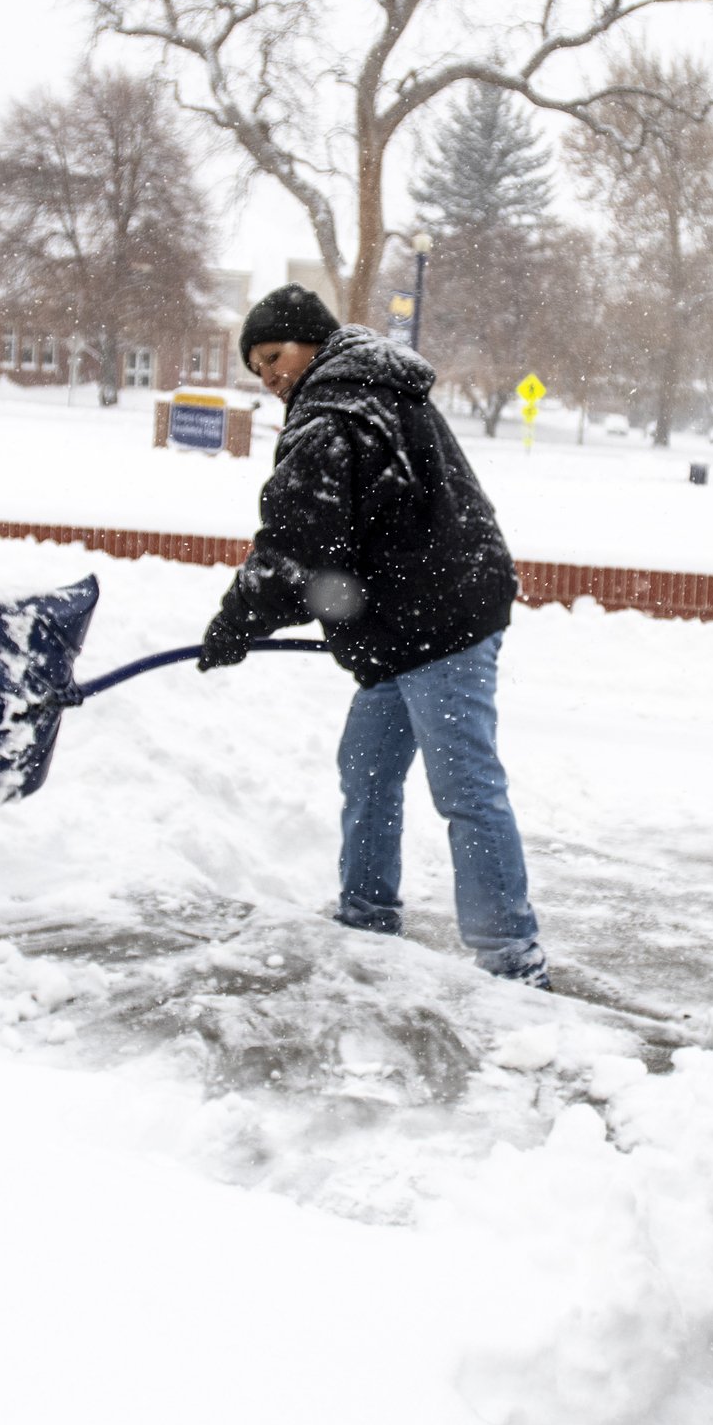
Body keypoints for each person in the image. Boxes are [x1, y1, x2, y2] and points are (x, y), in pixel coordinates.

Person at [200, 284, 546, 987]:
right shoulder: (373, 388)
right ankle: (365, 914)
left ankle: (512, 958)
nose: (268, 377)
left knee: (466, 789)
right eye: (256, 369)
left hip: (438, 623)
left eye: (272, 357)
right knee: (366, 766)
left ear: (310, 340)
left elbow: (298, 543)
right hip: (411, 619)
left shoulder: (336, 409)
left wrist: (236, 620)